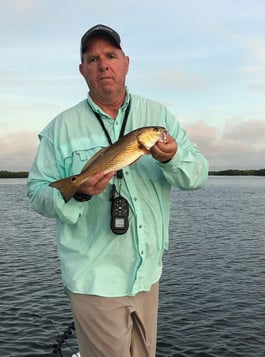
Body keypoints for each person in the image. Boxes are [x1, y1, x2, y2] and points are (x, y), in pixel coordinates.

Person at [27, 24, 209, 357]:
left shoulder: (157, 116)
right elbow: (36, 193)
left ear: (126, 62)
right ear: (83, 70)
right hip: (94, 278)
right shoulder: (60, 128)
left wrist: (173, 158)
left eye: (111, 55)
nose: (103, 64)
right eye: (92, 58)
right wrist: (79, 193)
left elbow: (197, 175)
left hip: (147, 275)